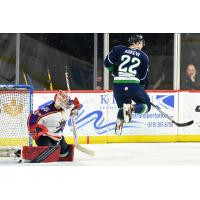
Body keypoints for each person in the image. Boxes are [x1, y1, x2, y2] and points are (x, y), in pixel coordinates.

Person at [104, 34, 151, 135]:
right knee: (147, 106)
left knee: (123, 107)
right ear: (136, 43)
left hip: (117, 85)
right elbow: (142, 78)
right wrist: (141, 89)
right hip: (132, 84)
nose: (142, 46)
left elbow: (107, 63)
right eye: (141, 43)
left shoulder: (118, 49)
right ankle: (132, 108)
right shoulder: (143, 56)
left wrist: (114, 71)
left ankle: (118, 126)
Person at [27, 90, 81, 161]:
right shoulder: (46, 111)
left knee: (65, 154)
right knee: (50, 154)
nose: (67, 103)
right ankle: (30, 153)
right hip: (45, 137)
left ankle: (56, 148)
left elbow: (76, 105)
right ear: (58, 101)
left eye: (66, 100)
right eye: (64, 101)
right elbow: (32, 117)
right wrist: (33, 131)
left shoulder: (68, 106)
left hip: (58, 137)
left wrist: (76, 109)